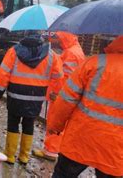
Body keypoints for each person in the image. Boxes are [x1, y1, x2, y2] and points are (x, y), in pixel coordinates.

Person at [47, 36, 123, 178]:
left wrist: (55, 126)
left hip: (80, 138)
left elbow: (66, 99)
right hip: (116, 149)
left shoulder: (94, 63)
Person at [0, 34, 63, 164]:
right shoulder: (51, 54)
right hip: (36, 96)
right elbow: (58, 76)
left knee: (13, 123)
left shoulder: (14, 51)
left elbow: (4, 72)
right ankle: (24, 156)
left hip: (16, 94)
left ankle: (9, 155)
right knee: (29, 123)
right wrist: (54, 93)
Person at [33, 31, 85, 161]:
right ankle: (55, 148)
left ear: (64, 38)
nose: (58, 42)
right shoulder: (75, 50)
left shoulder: (71, 53)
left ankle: (51, 151)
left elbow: (64, 77)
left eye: (58, 39)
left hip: (61, 95)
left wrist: (56, 93)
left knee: (55, 122)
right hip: (67, 95)